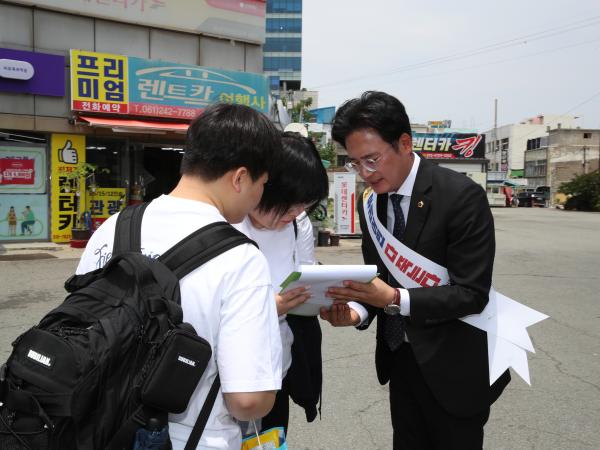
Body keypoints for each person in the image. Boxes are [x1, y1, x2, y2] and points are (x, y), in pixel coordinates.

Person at [76, 103, 283, 450]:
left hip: (99, 432)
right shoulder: (240, 257)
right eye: (262, 184)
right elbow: (246, 399)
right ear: (240, 178)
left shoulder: (113, 227)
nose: (259, 196)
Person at [321, 91, 511, 449]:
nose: (364, 173)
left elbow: (471, 293)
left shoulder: (460, 196)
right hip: (402, 362)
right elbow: (376, 276)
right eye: (354, 163)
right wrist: (358, 311)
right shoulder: (372, 203)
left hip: (454, 367)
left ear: (405, 143)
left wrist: (394, 297)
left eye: (372, 160)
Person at [234, 132, 339, 436]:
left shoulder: (297, 223)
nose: (296, 214)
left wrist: (327, 295)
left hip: (275, 368)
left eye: (303, 206)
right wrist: (271, 306)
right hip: (226, 377)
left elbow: (304, 273)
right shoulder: (226, 221)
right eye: (290, 205)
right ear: (263, 186)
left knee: (270, 439)